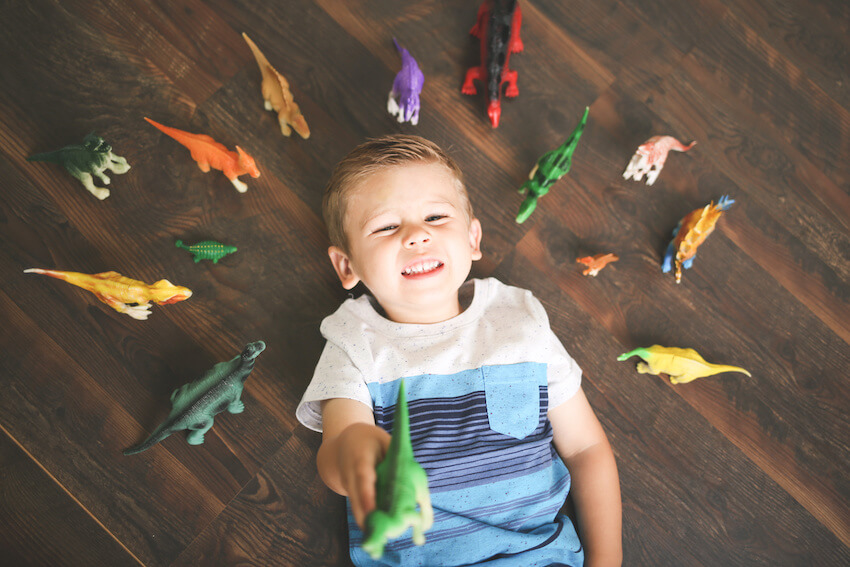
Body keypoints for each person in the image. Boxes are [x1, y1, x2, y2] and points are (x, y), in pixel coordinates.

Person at [296, 134, 622, 566]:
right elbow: (334, 464)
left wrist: (607, 560)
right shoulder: (354, 340)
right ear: (347, 266)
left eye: (435, 216)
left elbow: (585, 449)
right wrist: (354, 446)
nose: (417, 235)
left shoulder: (519, 319)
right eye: (387, 226)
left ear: (472, 238)